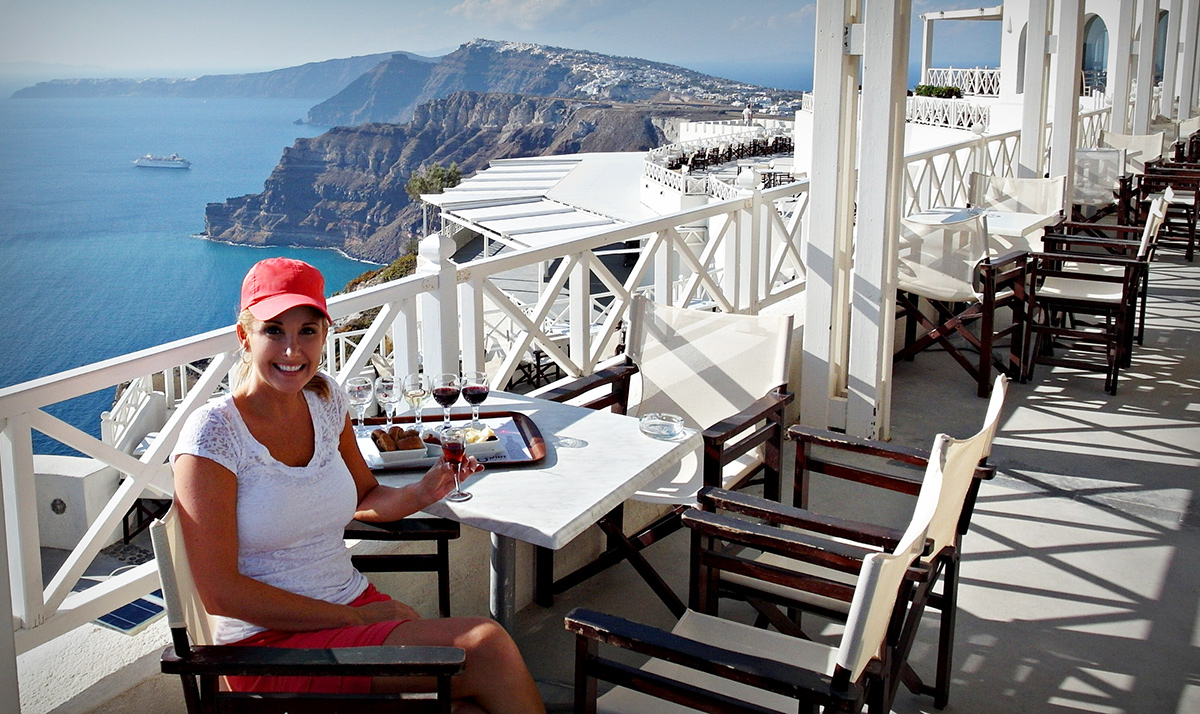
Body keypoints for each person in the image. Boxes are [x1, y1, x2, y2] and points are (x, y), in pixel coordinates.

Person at [171, 257, 546, 714]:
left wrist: (423, 492)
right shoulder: (214, 434)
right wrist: (354, 617)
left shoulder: (324, 399)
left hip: (349, 604)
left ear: (325, 335)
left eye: (307, 331)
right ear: (245, 337)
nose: (293, 351)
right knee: (486, 646)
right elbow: (220, 593)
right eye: (274, 331)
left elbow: (364, 496)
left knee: (469, 709)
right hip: (270, 646)